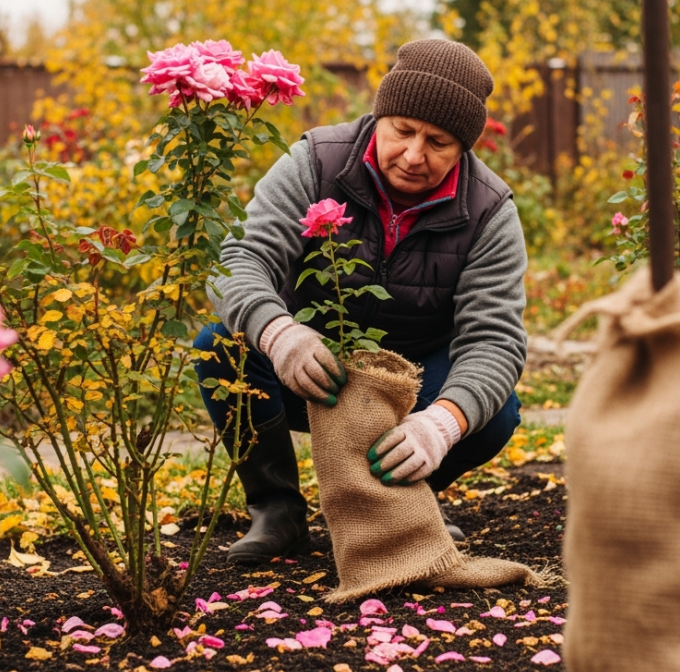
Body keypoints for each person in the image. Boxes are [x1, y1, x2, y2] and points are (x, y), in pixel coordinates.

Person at [195, 38, 526, 566]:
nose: (414, 156)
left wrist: (439, 425)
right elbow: (239, 259)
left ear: (464, 147)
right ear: (379, 116)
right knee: (219, 347)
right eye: (403, 131)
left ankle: (401, 500)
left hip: (412, 381)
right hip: (311, 364)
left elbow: (496, 340)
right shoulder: (315, 161)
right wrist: (281, 334)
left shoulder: (490, 210)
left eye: (438, 142)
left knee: (495, 410)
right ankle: (277, 511)